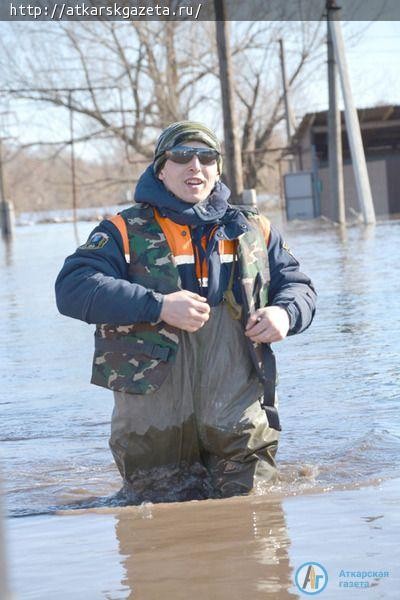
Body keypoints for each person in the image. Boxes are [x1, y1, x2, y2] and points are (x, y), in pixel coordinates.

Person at [55, 121, 316, 502]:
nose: (195, 165)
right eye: (181, 156)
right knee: (154, 538)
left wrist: (285, 314)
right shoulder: (122, 230)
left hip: (238, 425)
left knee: (257, 533)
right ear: (161, 169)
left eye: (206, 157)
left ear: (217, 169)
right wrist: (158, 306)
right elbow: (71, 289)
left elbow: (300, 287)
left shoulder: (254, 228)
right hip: (154, 433)